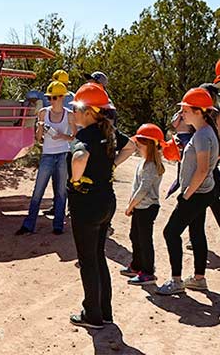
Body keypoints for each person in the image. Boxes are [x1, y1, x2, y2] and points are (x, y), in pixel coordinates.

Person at [156, 87, 219, 295]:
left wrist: (186, 195)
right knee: (196, 231)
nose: (182, 114)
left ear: (199, 111)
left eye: (185, 110)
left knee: (171, 232)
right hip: (204, 191)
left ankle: (176, 280)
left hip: (197, 193)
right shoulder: (207, 132)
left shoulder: (202, 135)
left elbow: (201, 169)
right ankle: (199, 279)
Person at [67, 82, 116, 329]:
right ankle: (105, 311)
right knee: (98, 256)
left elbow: (80, 156)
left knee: (88, 261)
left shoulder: (85, 136)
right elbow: (129, 146)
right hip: (106, 200)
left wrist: (76, 180)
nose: (72, 112)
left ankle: (93, 316)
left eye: (76, 108)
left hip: (87, 205)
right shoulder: (106, 132)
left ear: (88, 111)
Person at [16, 81, 76, 235]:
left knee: (61, 192)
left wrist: (62, 136)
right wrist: (41, 127)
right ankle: (28, 224)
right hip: (47, 155)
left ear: (62, 97)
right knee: (38, 191)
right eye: (50, 97)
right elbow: (38, 138)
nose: (51, 100)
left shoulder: (69, 114)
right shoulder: (43, 112)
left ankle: (58, 225)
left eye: (54, 97)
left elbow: (74, 137)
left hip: (63, 154)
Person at [121, 124, 167, 286]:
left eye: (140, 142)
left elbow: (143, 190)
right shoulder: (143, 162)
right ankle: (137, 265)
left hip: (146, 207)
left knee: (144, 239)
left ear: (149, 144)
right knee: (135, 236)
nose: (137, 145)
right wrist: (133, 204)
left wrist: (130, 205)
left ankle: (148, 272)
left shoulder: (151, 165)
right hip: (140, 206)